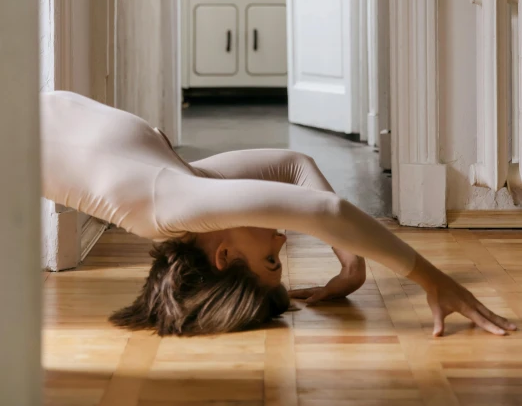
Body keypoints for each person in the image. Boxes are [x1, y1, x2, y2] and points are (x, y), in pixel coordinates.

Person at [41, 91, 517, 338]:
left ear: (224, 255)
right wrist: (352, 262)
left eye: (270, 262)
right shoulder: (185, 192)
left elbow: (323, 208)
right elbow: (295, 166)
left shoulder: (172, 206)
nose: (283, 243)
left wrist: (435, 281)